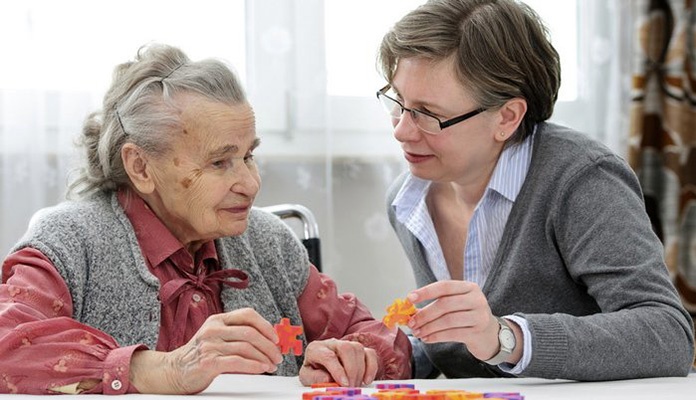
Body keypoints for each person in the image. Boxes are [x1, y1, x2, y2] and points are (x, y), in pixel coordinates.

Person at [0, 43, 411, 395]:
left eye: (249, 155)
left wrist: (353, 359)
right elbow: (7, 343)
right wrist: (164, 370)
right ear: (141, 167)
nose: (250, 183)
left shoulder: (267, 241)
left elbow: (383, 340)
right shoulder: (71, 240)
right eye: (219, 162)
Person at [376, 0, 694, 381]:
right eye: (398, 102)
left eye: (428, 114)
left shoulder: (581, 180)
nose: (401, 131)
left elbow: (668, 335)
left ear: (507, 118)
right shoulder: (407, 200)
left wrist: (507, 338)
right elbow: (465, 349)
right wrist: (387, 354)